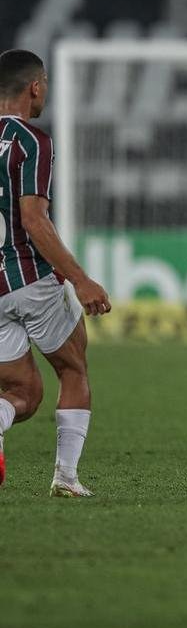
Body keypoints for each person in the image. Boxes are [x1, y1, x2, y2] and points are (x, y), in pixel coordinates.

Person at [0, 49, 111, 497]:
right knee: (73, 369)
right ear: (35, 87)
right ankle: (66, 477)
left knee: (21, 394)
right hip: (29, 276)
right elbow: (34, 220)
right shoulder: (32, 141)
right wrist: (81, 279)